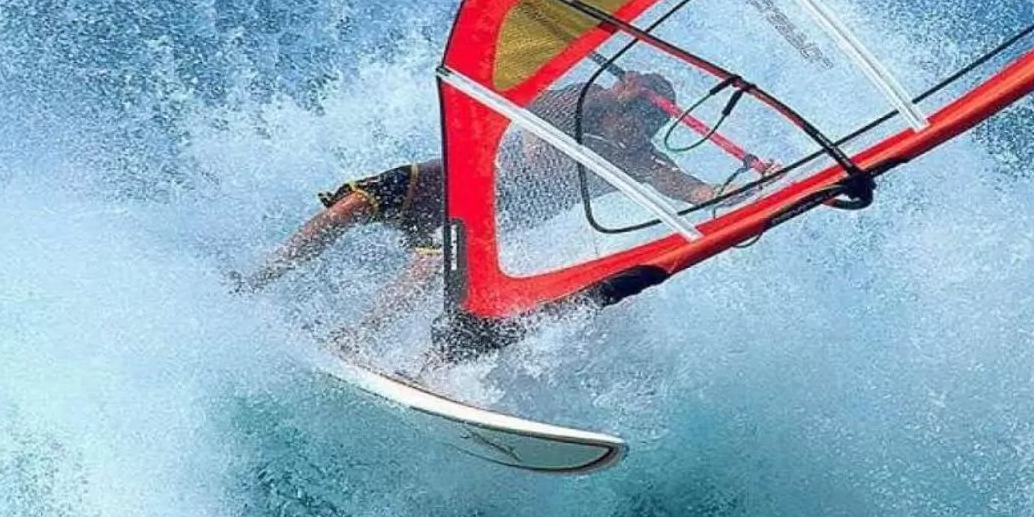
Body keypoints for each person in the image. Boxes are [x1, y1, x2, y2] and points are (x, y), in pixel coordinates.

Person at [236, 71, 725, 349]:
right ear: (620, 102)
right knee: (355, 203)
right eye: (641, 116)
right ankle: (258, 278)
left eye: (656, 123)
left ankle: (357, 336)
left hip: (494, 210)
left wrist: (744, 189)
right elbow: (529, 122)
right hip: (455, 176)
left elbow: (695, 190)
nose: (645, 130)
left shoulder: (635, 158)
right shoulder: (583, 100)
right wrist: (561, 127)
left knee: (434, 256)